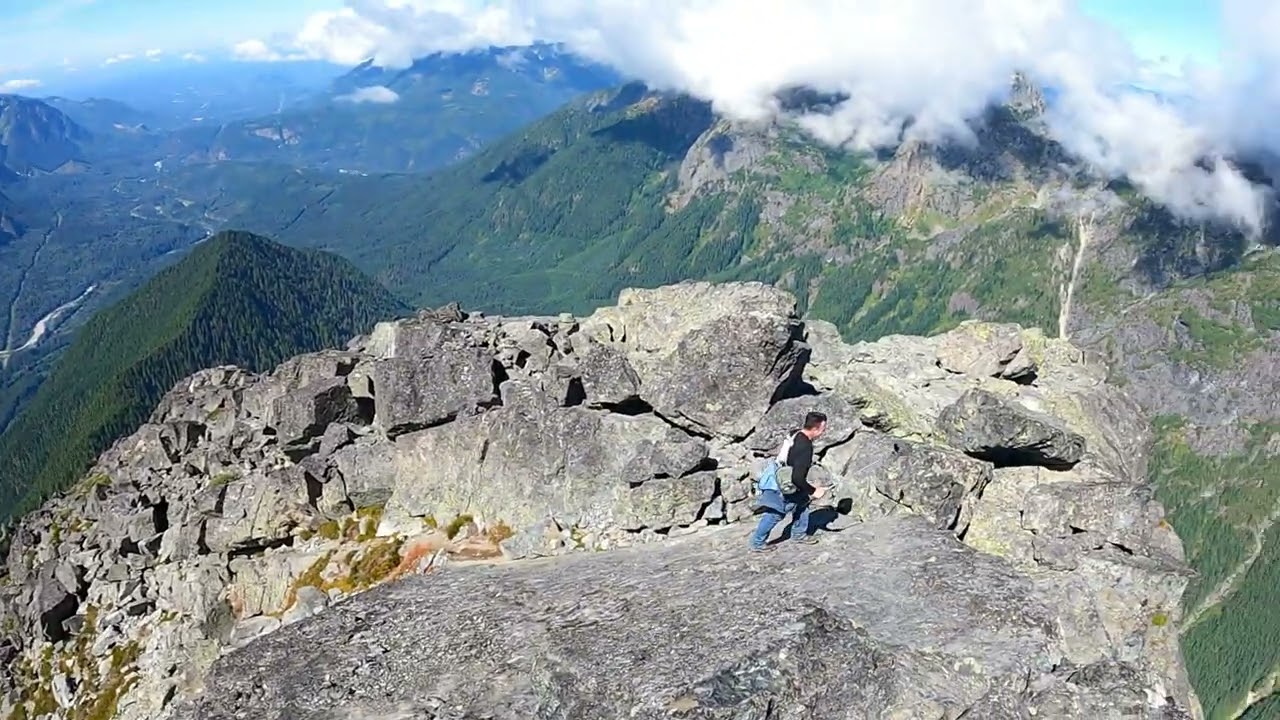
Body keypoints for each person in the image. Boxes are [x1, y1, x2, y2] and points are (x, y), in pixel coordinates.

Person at [749, 411, 829, 551]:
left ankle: (799, 533)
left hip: (778, 474)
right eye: (823, 428)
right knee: (775, 513)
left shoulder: (796, 434)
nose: (824, 431)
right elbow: (797, 478)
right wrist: (814, 491)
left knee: (802, 502)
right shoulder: (805, 447)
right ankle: (757, 543)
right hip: (783, 484)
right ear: (815, 429)